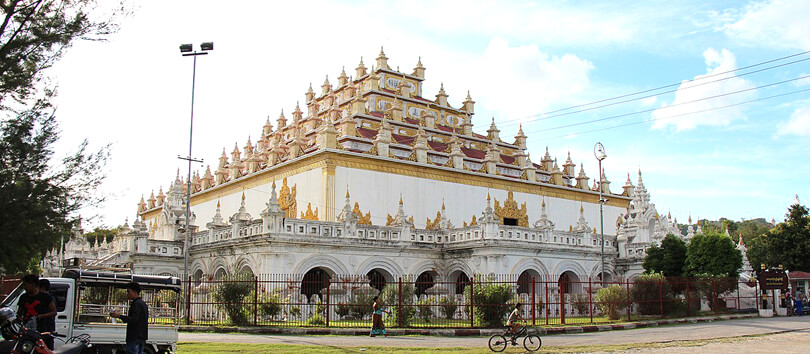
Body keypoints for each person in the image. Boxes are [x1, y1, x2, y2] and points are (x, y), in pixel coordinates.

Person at [16, 274, 56, 349]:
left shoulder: (45, 297)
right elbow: (19, 313)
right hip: (28, 331)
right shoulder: (23, 297)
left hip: (43, 330)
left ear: (33, 284)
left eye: (25, 285)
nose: (24, 287)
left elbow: (54, 312)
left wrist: (41, 316)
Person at [110, 282, 148, 354]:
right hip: (141, 336)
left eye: (128, 291)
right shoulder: (142, 303)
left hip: (134, 337)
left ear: (135, 292)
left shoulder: (136, 304)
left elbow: (134, 319)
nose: (127, 294)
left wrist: (119, 316)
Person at [38, 279, 58, 350]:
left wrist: (40, 316)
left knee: (46, 347)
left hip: (46, 327)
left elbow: (53, 312)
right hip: (48, 326)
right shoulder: (51, 297)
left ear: (42, 287)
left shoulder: (47, 298)